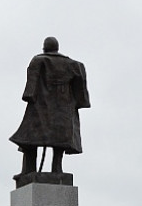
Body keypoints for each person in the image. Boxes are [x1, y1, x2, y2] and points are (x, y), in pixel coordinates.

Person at [10, 36, 90, 177]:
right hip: (63, 108)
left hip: (40, 106)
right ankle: (56, 169)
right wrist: (78, 103)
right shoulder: (74, 65)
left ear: (44, 48)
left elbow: (30, 89)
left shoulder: (38, 61)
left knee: (29, 139)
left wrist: (30, 96)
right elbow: (81, 92)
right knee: (60, 138)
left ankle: (28, 169)